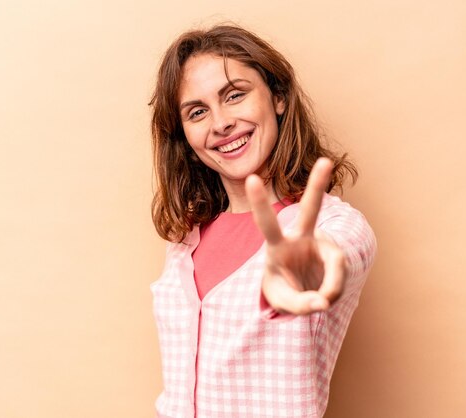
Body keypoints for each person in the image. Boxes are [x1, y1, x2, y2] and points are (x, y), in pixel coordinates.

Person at [148, 23, 376, 418]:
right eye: (197, 111)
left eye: (234, 95)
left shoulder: (334, 226)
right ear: (184, 134)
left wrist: (310, 265)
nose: (220, 123)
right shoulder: (185, 240)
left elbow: (338, 257)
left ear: (278, 98)